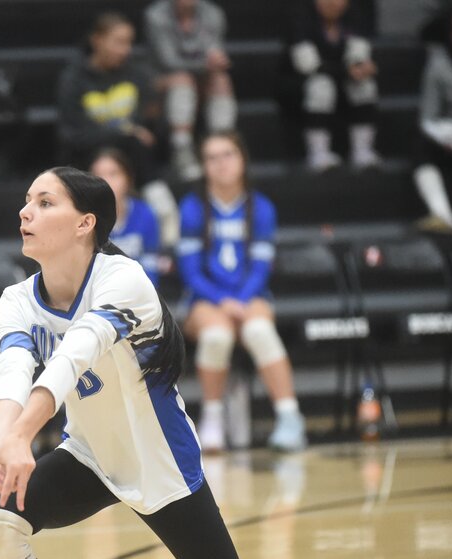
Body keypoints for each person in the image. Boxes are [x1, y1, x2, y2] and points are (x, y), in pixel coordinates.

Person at [0, 165, 452, 559]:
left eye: (46, 202)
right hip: (91, 455)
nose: (26, 211)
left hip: (162, 464)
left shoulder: (123, 280)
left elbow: (74, 356)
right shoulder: (16, 301)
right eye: (27, 200)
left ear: (85, 223)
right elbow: (12, 373)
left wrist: (22, 435)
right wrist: (2, 438)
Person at [177, 131, 306, 452]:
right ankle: (212, 418)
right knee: (216, 336)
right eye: (211, 157)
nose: (220, 164)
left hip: (250, 295)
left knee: (260, 329)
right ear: (203, 166)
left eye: (228, 155)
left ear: (243, 160)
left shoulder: (261, 208)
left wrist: (241, 300)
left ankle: (290, 417)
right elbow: (190, 271)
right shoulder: (193, 208)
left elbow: (261, 268)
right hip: (205, 300)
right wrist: (223, 301)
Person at [56, 12, 180, 247]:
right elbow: (73, 135)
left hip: (137, 167)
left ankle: (168, 252)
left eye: (129, 42)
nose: (125, 50)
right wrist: (123, 133)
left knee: (164, 208)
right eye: (118, 42)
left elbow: (149, 129)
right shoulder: (74, 80)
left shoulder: (137, 75)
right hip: (89, 165)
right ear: (97, 40)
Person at [280, 0, 381, 171]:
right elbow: (307, 64)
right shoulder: (300, 21)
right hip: (300, 87)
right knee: (321, 86)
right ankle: (318, 153)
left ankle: (363, 151)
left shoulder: (354, 19)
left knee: (365, 85)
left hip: (342, 85)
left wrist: (362, 66)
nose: (333, 3)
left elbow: (358, 52)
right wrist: (347, 72)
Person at [143, 0, 237, 181]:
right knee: (182, 80)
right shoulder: (155, 15)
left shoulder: (213, 13)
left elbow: (214, 51)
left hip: (202, 77)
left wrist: (215, 61)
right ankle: (182, 149)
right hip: (162, 81)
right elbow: (168, 61)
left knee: (221, 80)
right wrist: (206, 64)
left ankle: (224, 145)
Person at [414, 5, 452, 232]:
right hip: (451, 134)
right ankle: (441, 214)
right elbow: (428, 119)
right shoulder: (438, 65)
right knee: (422, 149)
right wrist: (449, 138)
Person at [89, 147, 160, 285]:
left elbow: (151, 266)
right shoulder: (83, 221)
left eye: (113, 174)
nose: (106, 182)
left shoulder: (145, 213)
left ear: (128, 178)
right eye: (99, 176)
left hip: (137, 293)